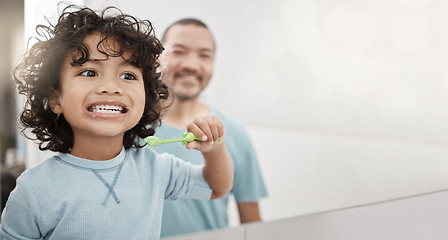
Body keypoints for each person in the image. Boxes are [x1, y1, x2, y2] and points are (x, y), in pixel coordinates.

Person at [0, 5, 233, 239]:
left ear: (146, 96)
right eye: (90, 72)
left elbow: (216, 187)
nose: (111, 87)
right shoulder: (33, 189)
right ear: (55, 98)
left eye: (128, 76)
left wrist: (214, 150)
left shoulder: (156, 169)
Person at [154, 18, 268, 237]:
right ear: (158, 57)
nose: (191, 65)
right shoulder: (129, 128)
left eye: (204, 55)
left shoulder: (234, 133)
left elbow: (253, 223)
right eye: (179, 51)